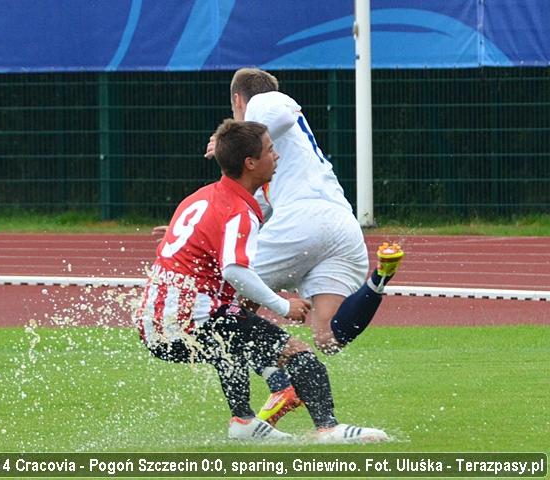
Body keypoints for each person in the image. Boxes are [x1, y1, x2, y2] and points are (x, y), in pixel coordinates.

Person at [135, 118, 388, 443]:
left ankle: (243, 420)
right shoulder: (237, 210)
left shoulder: (203, 196)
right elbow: (235, 271)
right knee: (298, 353)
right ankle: (328, 428)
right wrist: (284, 305)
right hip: (191, 321)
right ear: (250, 163)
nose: (277, 156)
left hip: (156, 324)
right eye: (270, 150)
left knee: (232, 339)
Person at [202, 68, 405, 427]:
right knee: (327, 337)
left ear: (237, 99)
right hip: (341, 225)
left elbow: (282, 111)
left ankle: (278, 384)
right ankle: (379, 277)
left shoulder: (265, 101)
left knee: (225, 304)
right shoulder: (277, 162)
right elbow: (248, 211)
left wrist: (233, 140)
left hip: (303, 220)